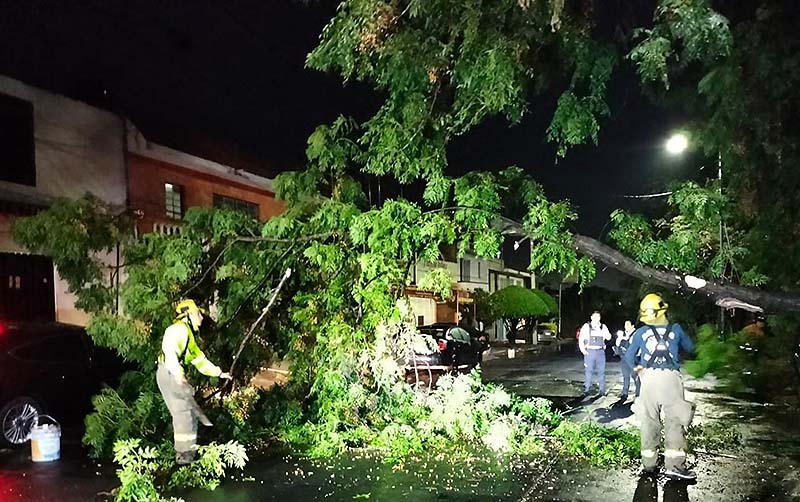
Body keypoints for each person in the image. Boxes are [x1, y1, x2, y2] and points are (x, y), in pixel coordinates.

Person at [625, 293, 696, 480]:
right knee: (674, 422)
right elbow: (691, 348)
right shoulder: (676, 329)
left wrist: (637, 369)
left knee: (649, 422)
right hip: (670, 380)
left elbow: (629, 356)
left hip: (648, 380)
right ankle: (674, 466)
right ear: (663, 309)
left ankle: (649, 464)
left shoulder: (640, 333)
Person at [157, 299, 231, 464]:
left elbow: (200, 361)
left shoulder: (188, 336)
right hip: (170, 374)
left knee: (187, 414)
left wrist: (219, 373)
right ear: (188, 315)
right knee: (184, 415)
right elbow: (169, 351)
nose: (202, 318)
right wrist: (178, 374)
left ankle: (185, 456)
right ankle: (184, 460)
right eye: (198, 313)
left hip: (169, 374)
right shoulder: (177, 330)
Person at [579, 311, 612, 396]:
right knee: (588, 371)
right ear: (591, 317)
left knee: (601, 371)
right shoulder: (586, 326)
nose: (596, 318)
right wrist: (583, 351)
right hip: (590, 351)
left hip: (600, 352)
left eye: (598, 317)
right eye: (595, 316)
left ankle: (602, 390)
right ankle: (587, 389)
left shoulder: (603, 327)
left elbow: (609, 337)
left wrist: (602, 332)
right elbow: (581, 339)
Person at [616, 320, 640, 400]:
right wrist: (620, 338)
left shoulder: (636, 334)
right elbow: (617, 344)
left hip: (632, 359)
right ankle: (625, 393)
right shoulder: (624, 334)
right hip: (623, 358)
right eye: (625, 324)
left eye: (628, 324)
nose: (625, 326)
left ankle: (638, 394)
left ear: (632, 326)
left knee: (635, 376)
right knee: (626, 376)